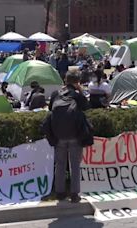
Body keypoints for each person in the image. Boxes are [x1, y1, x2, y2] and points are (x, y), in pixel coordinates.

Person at [48, 71, 90, 203]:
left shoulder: (56, 94)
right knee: (75, 165)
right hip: (75, 135)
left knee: (59, 164)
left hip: (58, 134)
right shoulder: (76, 95)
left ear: (65, 80)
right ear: (77, 82)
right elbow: (86, 107)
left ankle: (60, 193)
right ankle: (74, 194)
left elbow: (50, 109)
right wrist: (80, 91)